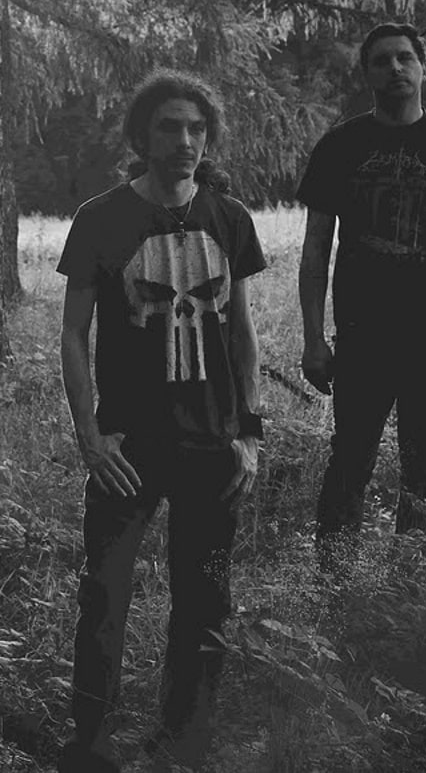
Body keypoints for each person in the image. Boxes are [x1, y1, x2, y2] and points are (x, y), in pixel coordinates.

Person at [56, 71, 267, 773]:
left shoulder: (229, 218)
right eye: (170, 126)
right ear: (142, 136)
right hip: (128, 445)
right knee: (104, 595)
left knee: (205, 599)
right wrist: (90, 436)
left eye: (196, 128)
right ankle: (91, 744)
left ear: (209, 138)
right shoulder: (101, 218)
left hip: (212, 442)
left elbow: (242, 333)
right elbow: (72, 334)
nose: (184, 140)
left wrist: (249, 431)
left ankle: (183, 742)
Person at [297, 21, 426, 550]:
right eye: (382, 60)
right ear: (367, 74)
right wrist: (313, 338)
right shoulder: (341, 145)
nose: (395, 68)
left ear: (424, 68)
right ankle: (334, 574)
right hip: (363, 331)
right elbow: (315, 249)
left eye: (405, 58)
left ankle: (409, 577)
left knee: (423, 461)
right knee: (350, 457)